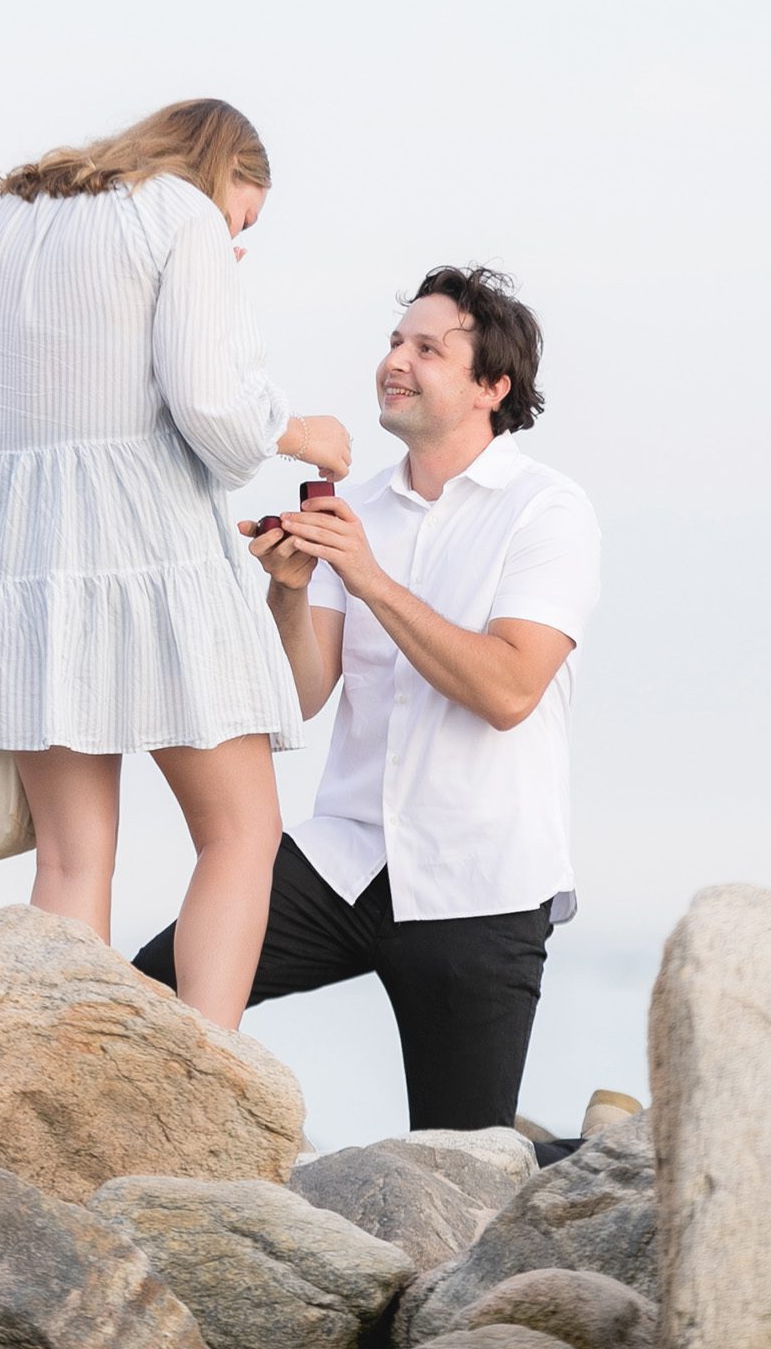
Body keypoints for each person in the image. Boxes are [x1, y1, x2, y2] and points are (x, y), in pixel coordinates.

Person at [133, 265, 601, 1143]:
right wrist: (287, 589)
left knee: (460, 1176)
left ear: (492, 387)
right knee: (146, 1000)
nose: (397, 361)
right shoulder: (362, 511)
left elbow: (508, 690)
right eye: (395, 342)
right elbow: (304, 696)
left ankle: (585, 1157)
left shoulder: (549, 512)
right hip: (343, 861)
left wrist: (367, 578)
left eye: (429, 349)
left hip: (479, 882)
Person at [0, 99, 352, 1030]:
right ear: (224, 177)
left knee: (70, 858)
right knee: (241, 833)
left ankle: (58, 1074)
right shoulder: (182, 217)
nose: (235, 234)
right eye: (241, 218)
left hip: (25, 556)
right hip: (147, 552)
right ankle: (208, 1074)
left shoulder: (7, 220)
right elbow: (214, 413)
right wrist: (304, 433)